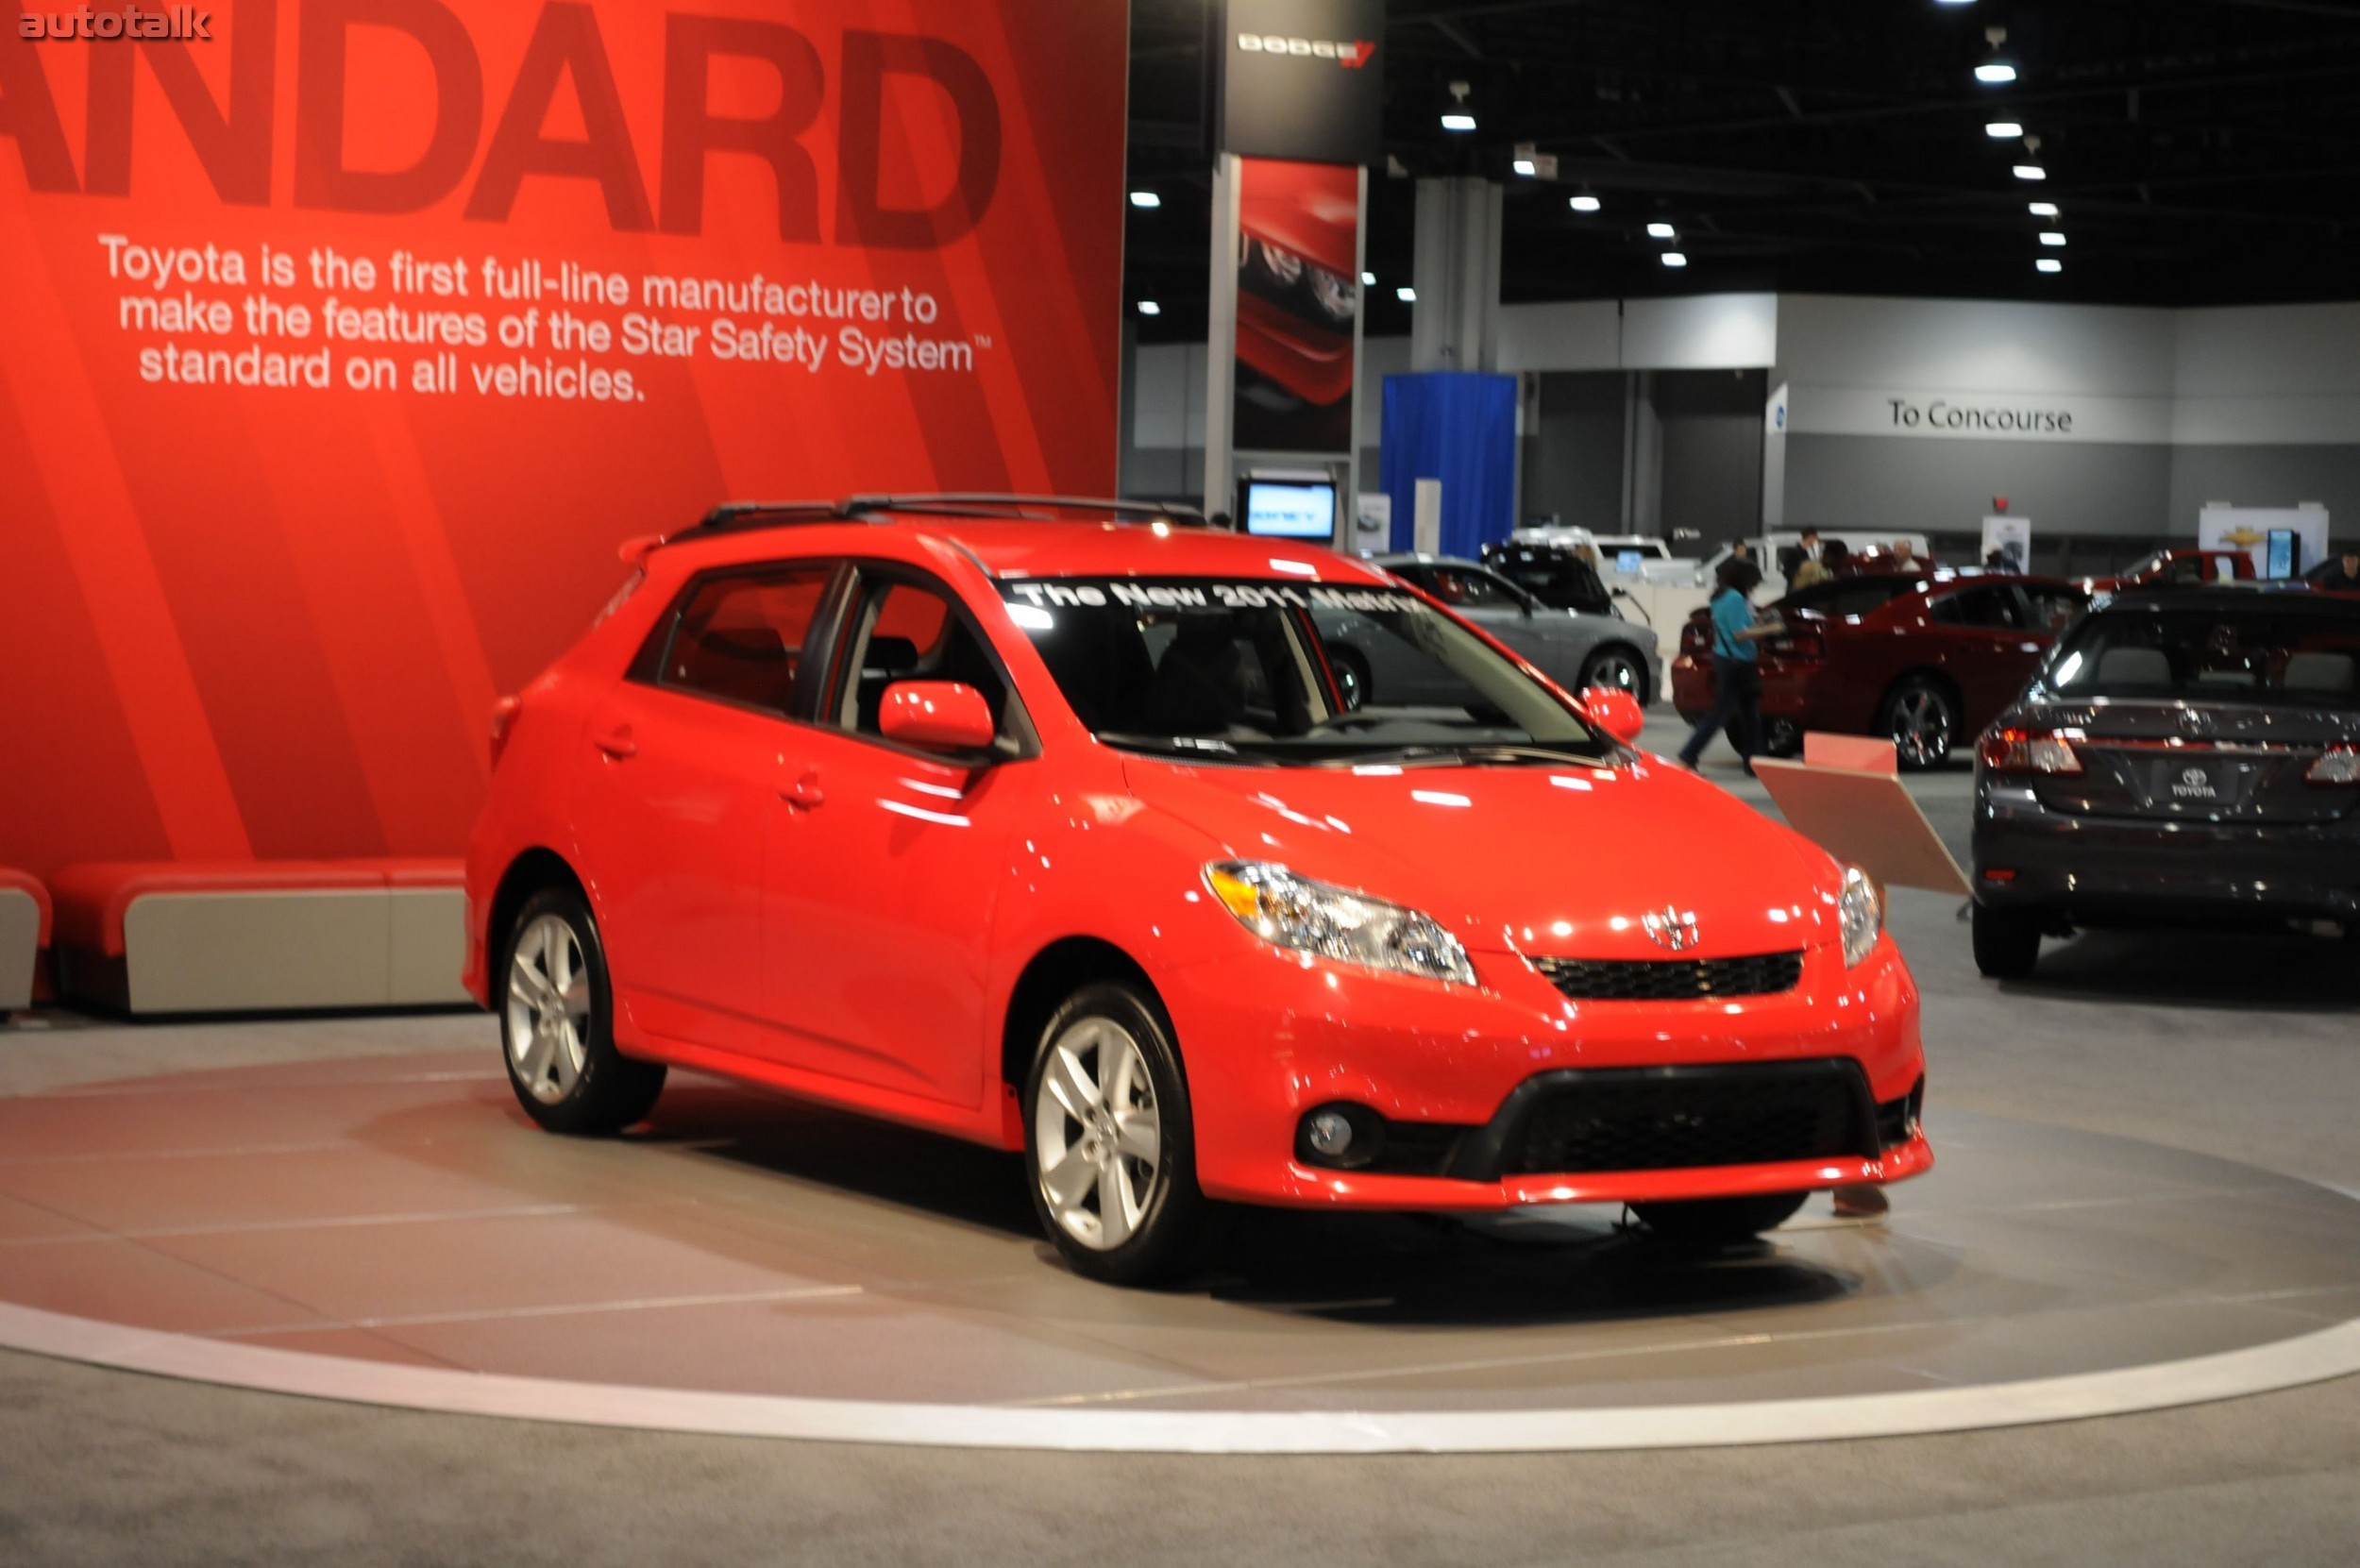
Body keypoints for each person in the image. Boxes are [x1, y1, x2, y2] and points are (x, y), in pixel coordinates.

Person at [1677, 558, 1778, 774]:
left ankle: (1755, 763)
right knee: (1722, 714)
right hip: (1737, 661)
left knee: (1749, 714)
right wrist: (1770, 629)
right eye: (1753, 582)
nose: (1754, 587)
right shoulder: (1734, 598)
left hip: (1726, 658)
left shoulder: (1719, 597)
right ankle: (1688, 754)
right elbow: (1740, 633)